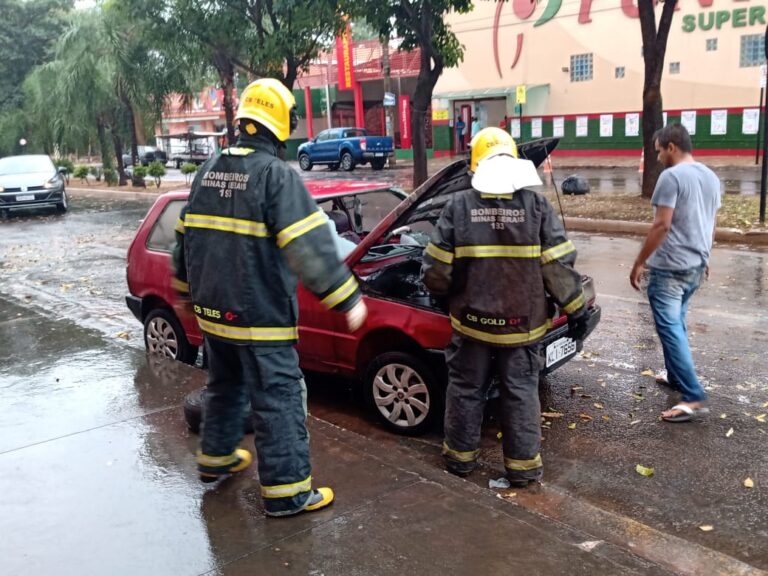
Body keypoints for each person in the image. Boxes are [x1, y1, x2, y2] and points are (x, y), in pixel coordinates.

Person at [172, 78, 368, 517]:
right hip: (260, 317)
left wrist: (186, 293)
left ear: (243, 121)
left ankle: (216, 459)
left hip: (212, 315)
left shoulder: (207, 171)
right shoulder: (275, 176)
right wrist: (346, 297)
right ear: (280, 126)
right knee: (279, 396)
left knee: (224, 386)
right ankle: (288, 493)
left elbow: (184, 240)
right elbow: (309, 244)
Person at [421, 127, 589, 487]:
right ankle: (522, 469)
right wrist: (577, 310)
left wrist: (442, 293)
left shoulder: (458, 207)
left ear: (475, 166)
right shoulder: (536, 207)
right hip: (522, 326)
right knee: (521, 392)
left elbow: (435, 269)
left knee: (465, 389)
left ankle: (460, 460)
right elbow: (558, 266)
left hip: (471, 325)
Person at [629, 123, 720, 423]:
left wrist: (639, 261)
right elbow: (709, 223)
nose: (657, 158)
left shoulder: (671, 177)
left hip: (669, 269)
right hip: (695, 265)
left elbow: (661, 225)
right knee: (676, 323)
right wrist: (705, 256)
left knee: (670, 329)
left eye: (658, 152)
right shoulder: (710, 176)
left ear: (671, 147)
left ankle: (693, 396)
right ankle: (675, 377)